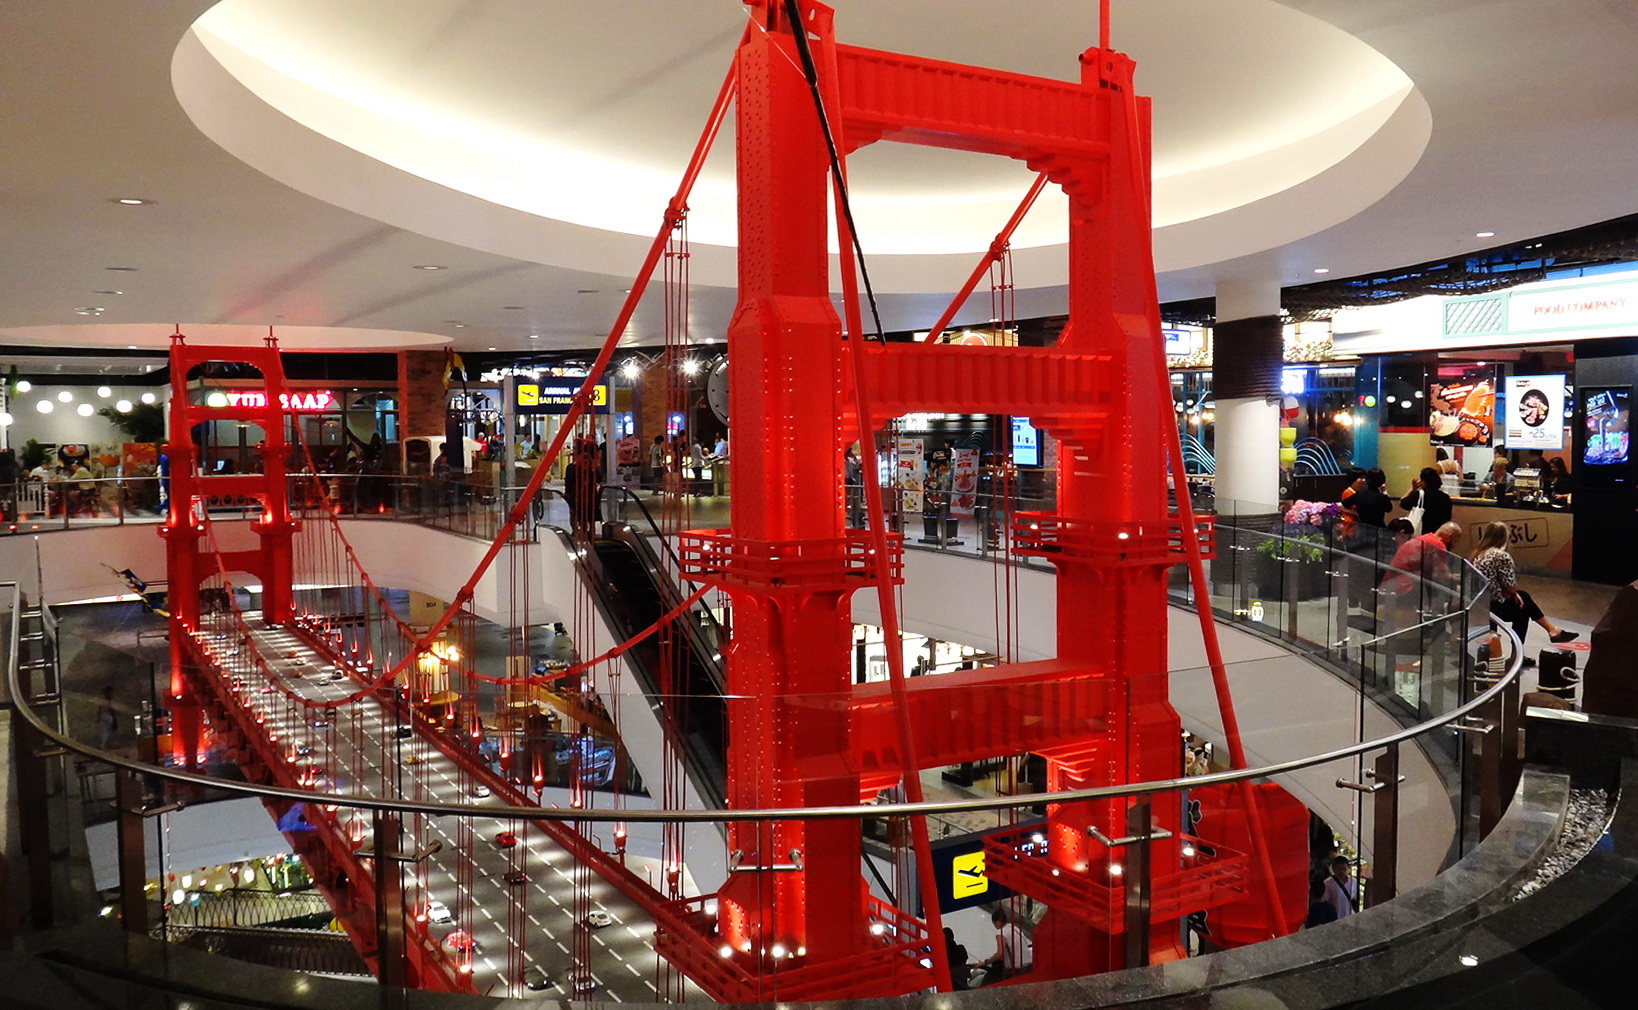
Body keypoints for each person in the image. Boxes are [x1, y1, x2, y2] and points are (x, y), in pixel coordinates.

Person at [1470, 521, 1578, 654]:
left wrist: (1515, 594)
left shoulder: (1477, 555)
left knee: (1523, 599)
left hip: (1479, 603)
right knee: (1523, 606)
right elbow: (1510, 585)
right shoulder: (1501, 556)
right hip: (1494, 606)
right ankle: (1520, 651)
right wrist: (1514, 594)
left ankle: (1552, 630)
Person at [980, 907, 1031, 983]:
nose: (995, 926)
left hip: (1017, 969)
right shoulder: (1015, 928)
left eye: (994, 924)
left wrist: (986, 962)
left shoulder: (1001, 933)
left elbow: (1000, 954)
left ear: (997, 922)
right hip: (1028, 964)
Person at [1399, 466, 1452, 534]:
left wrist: (1413, 489)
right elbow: (1447, 517)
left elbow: (1403, 503)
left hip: (1422, 531)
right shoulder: (1445, 497)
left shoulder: (1419, 494)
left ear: (1424, 481)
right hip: (1437, 532)